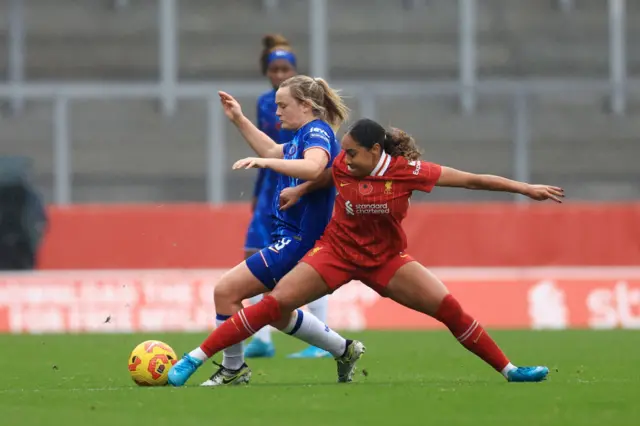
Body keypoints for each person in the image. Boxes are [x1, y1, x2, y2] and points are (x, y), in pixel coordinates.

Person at [172, 118, 565, 385]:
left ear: (376, 151)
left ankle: (510, 370)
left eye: (353, 153)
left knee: (449, 309)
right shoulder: (345, 163)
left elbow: (473, 181)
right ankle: (195, 357)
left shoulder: (409, 171)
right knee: (275, 304)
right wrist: (301, 188)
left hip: (387, 262)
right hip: (336, 253)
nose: (345, 158)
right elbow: (327, 173)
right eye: (343, 152)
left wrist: (525, 188)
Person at [168, 75, 364, 387]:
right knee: (278, 311)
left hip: (300, 241)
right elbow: (274, 150)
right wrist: (239, 119)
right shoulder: (303, 134)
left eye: (283, 105)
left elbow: (314, 166)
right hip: (291, 237)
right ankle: (344, 349)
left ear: (306, 105)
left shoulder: (316, 131)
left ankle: (233, 369)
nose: (277, 112)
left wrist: (264, 164)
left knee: (226, 291)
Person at [243, 34, 332, 360]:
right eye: (275, 69)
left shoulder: (311, 123)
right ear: (267, 71)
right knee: (253, 251)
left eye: (285, 69)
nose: (279, 74)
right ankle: (262, 338)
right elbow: (269, 148)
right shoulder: (266, 103)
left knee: (311, 261)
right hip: (272, 183)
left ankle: (321, 336)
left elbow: (303, 159)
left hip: (295, 180)